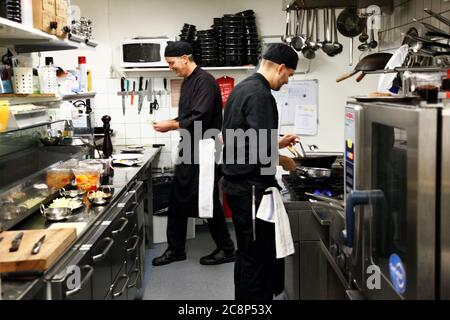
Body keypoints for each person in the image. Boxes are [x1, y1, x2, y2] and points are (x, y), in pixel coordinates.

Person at [222, 43, 299, 300]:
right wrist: (284, 160)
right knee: (256, 259)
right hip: (251, 189)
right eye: (289, 75)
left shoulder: (242, 88)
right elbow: (260, 151)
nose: (287, 82)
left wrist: (277, 144)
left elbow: (240, 138)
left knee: (247, 254)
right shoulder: (261, 95)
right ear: (280, 68)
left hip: (239, 187)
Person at [152, 41, 235, 266]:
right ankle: (176, 249)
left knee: (206, 199)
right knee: (177, 197)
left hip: (206, 148)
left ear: (185, 58)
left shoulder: (205, 81)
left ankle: (227, 248)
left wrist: (171, 125)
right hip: (190, 146)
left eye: (171, 63)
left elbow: (199, 116)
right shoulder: (189, 81)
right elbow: (189, 116)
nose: (170, 67)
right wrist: (172, 123)